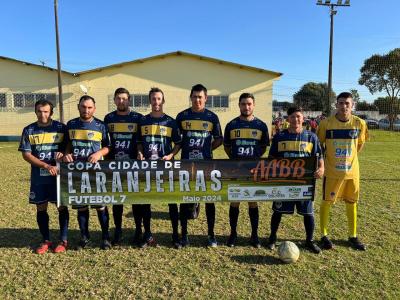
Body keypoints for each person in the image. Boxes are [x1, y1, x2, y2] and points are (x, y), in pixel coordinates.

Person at [266, 106, 324, 254]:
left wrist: (321, 168)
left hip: (305, 182)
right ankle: (272, 237)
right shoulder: (280, 136)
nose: (296, 119)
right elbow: (271, 158)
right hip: (284, 182)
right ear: (288, 119)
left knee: (308, 213)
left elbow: (319, 157)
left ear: (303, 118)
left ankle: (309, 240)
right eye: (292, 116)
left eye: (298, 116)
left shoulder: (311, 137)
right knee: (278, 212)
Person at [317, 92, 368, 251]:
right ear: (336, 105)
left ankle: (352, 236)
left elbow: (359, 145)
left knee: (352, 202)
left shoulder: (360, 123)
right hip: (332, 172)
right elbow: (319, 146)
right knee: (327, 202)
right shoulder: (326, 124)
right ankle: (324, 235)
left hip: (352, 172)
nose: (344, 106)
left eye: (347, 103)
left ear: (353, 105)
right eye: (341, 103)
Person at [18, 100, 69, 254]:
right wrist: (46, 166)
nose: (43, 114)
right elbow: (26, 154)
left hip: (58, 175)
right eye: (39, 111)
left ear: (51, 112)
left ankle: (63, 240)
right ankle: (46, 240)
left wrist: (64, 154)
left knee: (61, 206)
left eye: (46, 111)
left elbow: (69, 146)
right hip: (39, 176)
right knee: (41, 207)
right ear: (35, 112)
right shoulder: (29, 130)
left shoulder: (61, 128)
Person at [176, 84, 223, 247]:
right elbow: (177, 140)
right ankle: (184, 235)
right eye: (194, 96)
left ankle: (211, 235)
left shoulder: (212, 117)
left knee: (210, 199)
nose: (197, 99)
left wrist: (207, 149)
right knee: (184, 198)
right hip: (186, 165)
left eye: (200, 97)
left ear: (206, 98)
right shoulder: (182, 116)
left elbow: (219, 139)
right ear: (191, 97)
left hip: (206, 165)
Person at [63, 95, 111, 250]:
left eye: (89, 107)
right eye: (83, 107)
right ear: (78, 107)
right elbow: (67, 145)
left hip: (96, 173)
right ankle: (85, 237)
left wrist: (98, 154)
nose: (86, 110)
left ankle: (105, 237)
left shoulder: (101, 125)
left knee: (100, 206)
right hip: (77, 172)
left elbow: (108, 146)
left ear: (94, 109)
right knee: (81, 206)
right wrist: (67, 154)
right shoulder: (71, 125)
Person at [137, 87, 182, 248]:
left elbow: (178, 143)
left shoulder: (171, 121)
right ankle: (147, 234)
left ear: (163, 101)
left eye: (159, 99)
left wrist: (170, 155)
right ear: (150, 101)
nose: (156, 102)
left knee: (171, 202)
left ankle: (175, 235)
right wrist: (141, 153)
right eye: (153, 99)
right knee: (146, 202)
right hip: (147, 167)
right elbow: (140, 143)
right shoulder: (143, 121)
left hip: (166, 167)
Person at [224, 93, 269, 248]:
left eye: (249, 104)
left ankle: (254, 235)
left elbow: (263, 147)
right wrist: (236, 161)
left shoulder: (261, 126)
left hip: (253, 170)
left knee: (252, 202)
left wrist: (254, 159)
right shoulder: (231, 125)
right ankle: (233, 233)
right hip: (236, 170)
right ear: (239, 105)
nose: (246, 107)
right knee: (235, 201)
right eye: (243, 104)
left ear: (254, 105)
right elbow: (227, 146)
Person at [104, 87, 142, 246]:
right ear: (114, 100)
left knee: (136, 199)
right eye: (118, 98)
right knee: (117, 200)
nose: (121, 101)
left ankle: (138, 230)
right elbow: (105, 142)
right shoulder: (108, 118)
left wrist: (140, 152)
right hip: (114, 165)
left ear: (129, 100)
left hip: (133, 165)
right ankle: (118, 230)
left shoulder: (138, 118)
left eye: (124, 98)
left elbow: (141, 140)